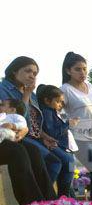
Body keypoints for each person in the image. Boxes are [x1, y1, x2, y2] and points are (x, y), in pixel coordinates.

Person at [1, 57, 63, 196]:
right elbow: (16, 118)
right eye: (28, 71)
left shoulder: (31, 93)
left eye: (35, 73)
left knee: (64, 159)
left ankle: (53, 201)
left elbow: (33, 121)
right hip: (16, 133)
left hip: (31, 135)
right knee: (52, 161)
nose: (32, 76)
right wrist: (27, 94)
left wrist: (44, 136)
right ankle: (40, 203)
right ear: (14, 71)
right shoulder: (4, 89)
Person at [61, 52, 92, 202]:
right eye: (77, 69)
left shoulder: (90, 87)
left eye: (84, 68)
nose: (82, 72)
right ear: (68, 71)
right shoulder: (65, 89)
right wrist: (68, 121)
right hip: (81, 138)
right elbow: (59, 113)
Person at [37, 85, 76, 197]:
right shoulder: (47, 112)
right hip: (52, 144)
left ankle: (66, 196)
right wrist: (68, 124)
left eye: (61, 102)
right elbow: (52, 133)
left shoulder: (52, 111)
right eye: (58, 101)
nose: (60, 105)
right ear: (47, 101)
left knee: (68, 165)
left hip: (60, 145)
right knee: (68, 161)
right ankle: (60, 196)